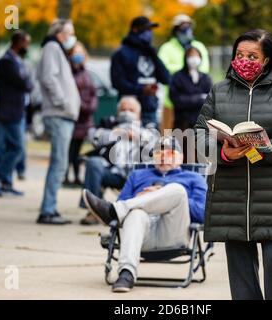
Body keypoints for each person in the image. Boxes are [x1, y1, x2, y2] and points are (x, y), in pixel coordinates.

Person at [195, 29, 272, 300]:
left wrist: (266, 149)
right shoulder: (219, 90)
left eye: (252, 56)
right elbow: (198, 135)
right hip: (229, 193)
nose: (244, 60)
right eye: (239, 54)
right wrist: (223, 153)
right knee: (240, 269)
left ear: (267, 60)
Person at [82, 136, 208, 292]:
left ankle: (113, 211)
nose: (163, 157)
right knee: (135, 213)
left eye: (170, 153)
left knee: (178, 190)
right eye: (158, 153)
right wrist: (140, 199)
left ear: (181, 157)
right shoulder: (137, 175)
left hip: (173, 234)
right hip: (141, 235)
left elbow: (202, 214)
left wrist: (163, 193)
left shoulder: (194, 178)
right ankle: (126, 274)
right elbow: (126, 213)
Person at [79, 96, 159, 225]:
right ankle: (93, 210)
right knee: (93, 163)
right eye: (123, 109)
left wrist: (138, 136)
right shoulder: (109, 123)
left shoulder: (148, 125)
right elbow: (93, 136)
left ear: (138, 113)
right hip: (113, 172)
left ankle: (135, 214)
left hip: (137, 174)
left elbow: (156, 142)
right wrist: (114, 134)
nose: (126, 112)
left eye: (131, 109)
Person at [36, 19, 81, 225]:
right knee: (59, 163)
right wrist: (63, 103)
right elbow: (48, 78)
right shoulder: (53, 47)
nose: (72, 37)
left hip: (63, 114)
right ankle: (48, 210)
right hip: (58, 113)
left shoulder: (57, 49)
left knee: (60, 163)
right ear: (60, 33)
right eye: (70, 32)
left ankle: (49, 208)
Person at [0, 30, 33, 197]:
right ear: (18, 43)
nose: (27, 47)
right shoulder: (6, 62)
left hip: (17, 112)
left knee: (15, 147)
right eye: (26, 43)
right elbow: (25, 84)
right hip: (8, 113)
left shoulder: (17, 61)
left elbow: (27, 82)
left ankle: (6, 182)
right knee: (15, 148)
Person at [110, 16, 170, 128]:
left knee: (151, 144)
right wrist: (142, 89)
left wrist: (154, 56)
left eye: (150, 30)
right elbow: (117, 82)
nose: (149, 33)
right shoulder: (121, 53)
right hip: (129, 110)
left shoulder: (150, 53)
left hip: (150, 109)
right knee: (129, 144)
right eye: (146, 29)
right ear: (135, 30)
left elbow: (166, 78)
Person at [158, 14, 210, 130]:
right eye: (183, 26)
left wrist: (180, 71)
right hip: (172, 103)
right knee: (168, 137)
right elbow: (163, 70)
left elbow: (204, 68)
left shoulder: (199, 46)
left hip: (197, 107)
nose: (187, 30)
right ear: (176, 29)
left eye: (189, 26)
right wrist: (184, 69)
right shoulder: (167, 48)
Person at [63, 42, 97, 187]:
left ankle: (77, 176)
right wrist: (82, 106)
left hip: (84, 119)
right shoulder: (68, 73)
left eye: (80, 53)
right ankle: (65, 176)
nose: (78, 56)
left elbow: (93, 92)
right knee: (68, 150)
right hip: (73, 117)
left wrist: (91, 106)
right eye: (75, 53)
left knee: (77, 151)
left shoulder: (86, 73)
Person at [169, 46, 212, 131]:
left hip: (202, 125)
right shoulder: (177, 77)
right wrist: (198, 99)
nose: (194, 59)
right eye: (191, 56)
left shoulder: (205, 78)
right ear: (186, 58)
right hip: (182, 124)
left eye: (196, 56)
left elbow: (211, 100)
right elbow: (176, 99)